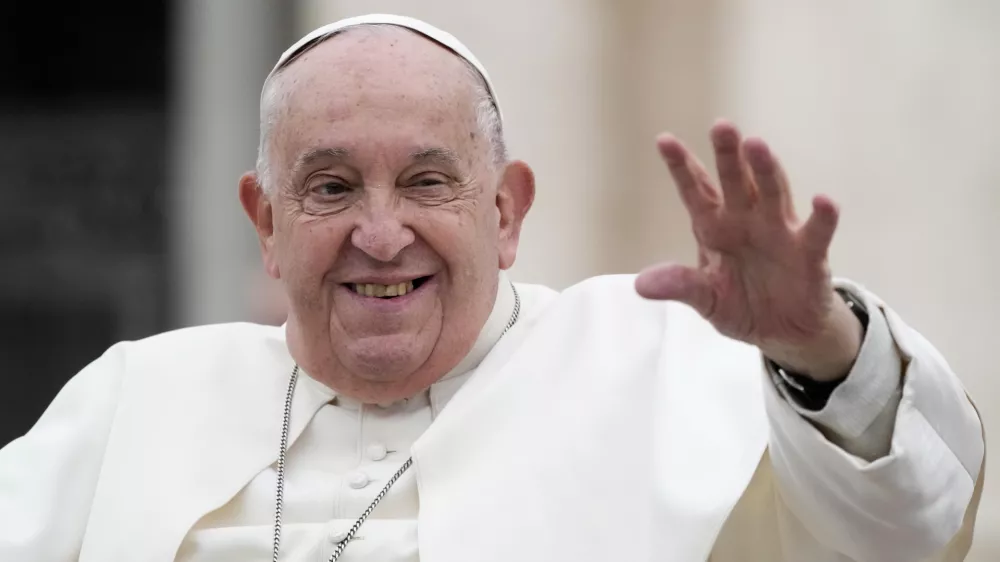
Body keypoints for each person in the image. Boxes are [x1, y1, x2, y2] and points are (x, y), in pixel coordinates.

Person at [0, 13, 985, 562]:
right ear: (266, 222)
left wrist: (817, 348)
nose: (379, 235)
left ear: (506, 212)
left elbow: (906, 530)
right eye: (331, 187)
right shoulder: (136, 397)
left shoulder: (657, 364)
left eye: (428, 181)